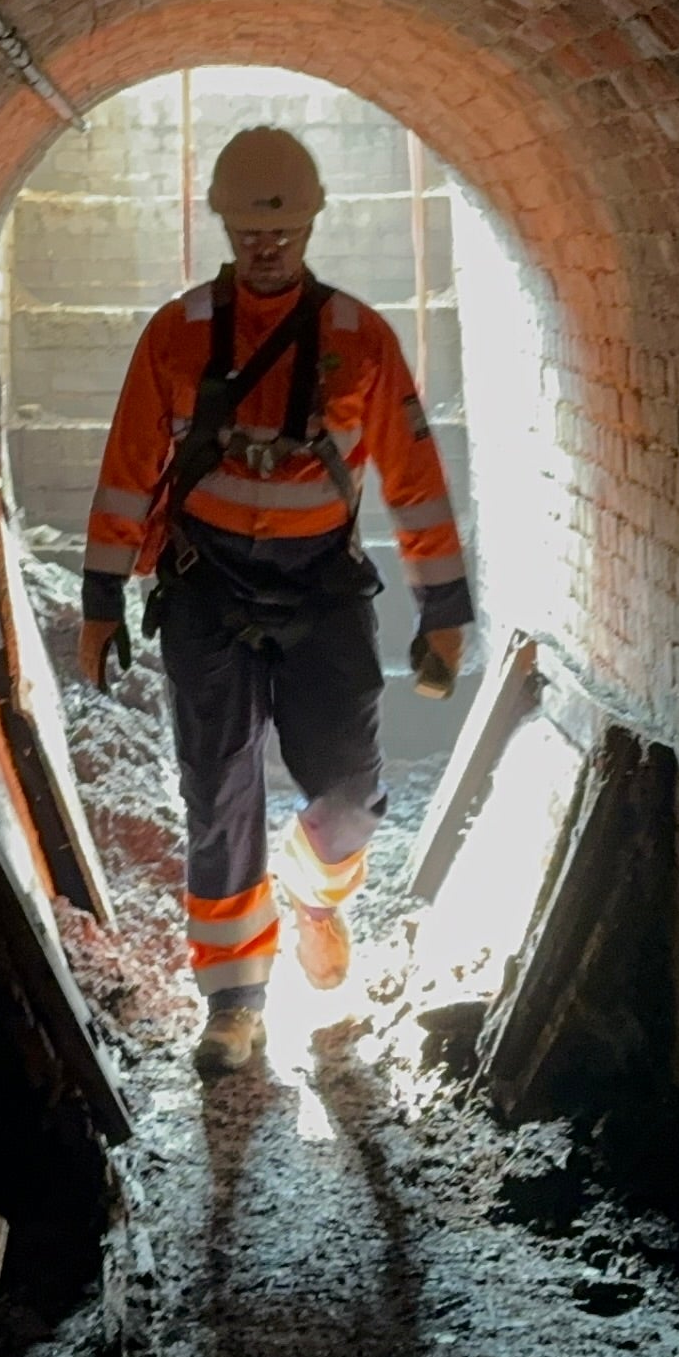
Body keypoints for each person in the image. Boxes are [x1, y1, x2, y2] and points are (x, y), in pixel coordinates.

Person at [75, 125, 470, 1076]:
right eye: (251, 227)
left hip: (322, 590)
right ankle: (233, 1003)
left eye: (283, 227)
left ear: (308, 226)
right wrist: (101, 600)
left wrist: (444, 608)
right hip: (207, 590)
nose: (266, 244)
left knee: (346, 794)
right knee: (218, 794)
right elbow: (130, 469)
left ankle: (316, 896)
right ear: (224, 225)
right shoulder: (176, 335)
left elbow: (414, 477)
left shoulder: (356, 338)